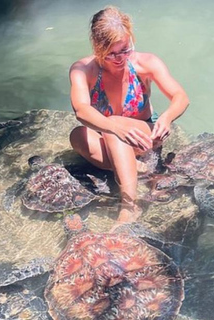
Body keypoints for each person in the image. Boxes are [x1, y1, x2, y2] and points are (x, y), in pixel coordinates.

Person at [69, 6, 189, 224]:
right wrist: (115, 129)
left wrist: (167, 117)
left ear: (130, 40)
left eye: (125, 50)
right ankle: (136, 168)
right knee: (78, 136)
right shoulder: (83, 69)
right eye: (111, 53)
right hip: (109, 136)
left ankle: (129, 206)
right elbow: (81, 110)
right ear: (97, 47)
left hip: (144, 135)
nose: (119, 58)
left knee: (113, 124)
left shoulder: (145, 63)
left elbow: (180, 96)